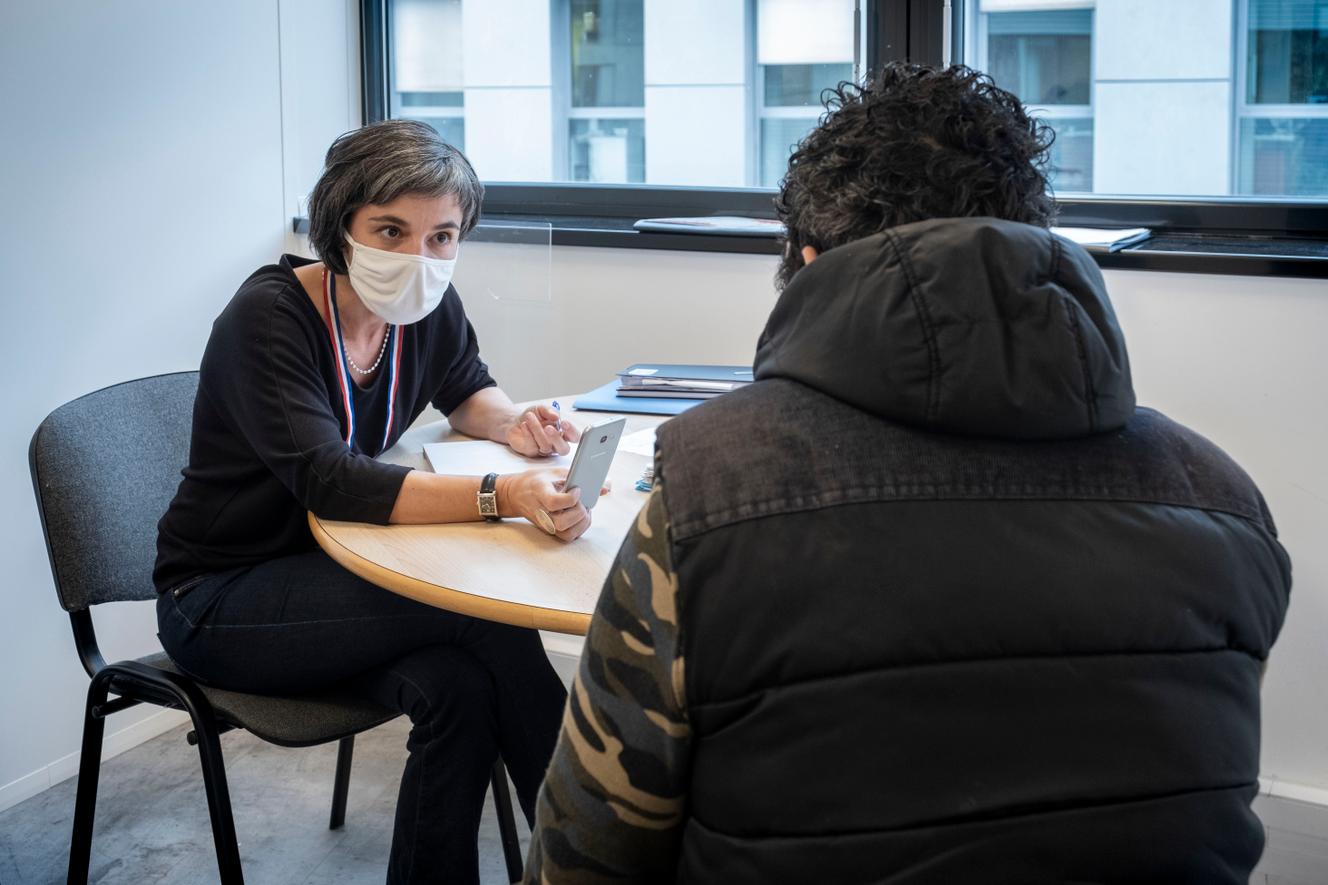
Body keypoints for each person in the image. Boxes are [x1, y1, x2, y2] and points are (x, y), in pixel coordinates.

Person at [524, 64, 1293, 883]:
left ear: (809, 260)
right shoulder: (1224, 501)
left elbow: (585, 855)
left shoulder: (708, 489)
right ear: (1028, 239)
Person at [155, 119, 582, 885]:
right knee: (487, 617)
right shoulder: (269, 318)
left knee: (460, 689)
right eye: (392, 230)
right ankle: (592, 858)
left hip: (342, 581)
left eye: (442, 235)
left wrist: (515, 423)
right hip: (221, 597)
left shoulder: (424, 306)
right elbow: (331, 480)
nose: (420, 256)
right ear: (339, 224)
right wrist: (501, 494)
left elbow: (468, 389)